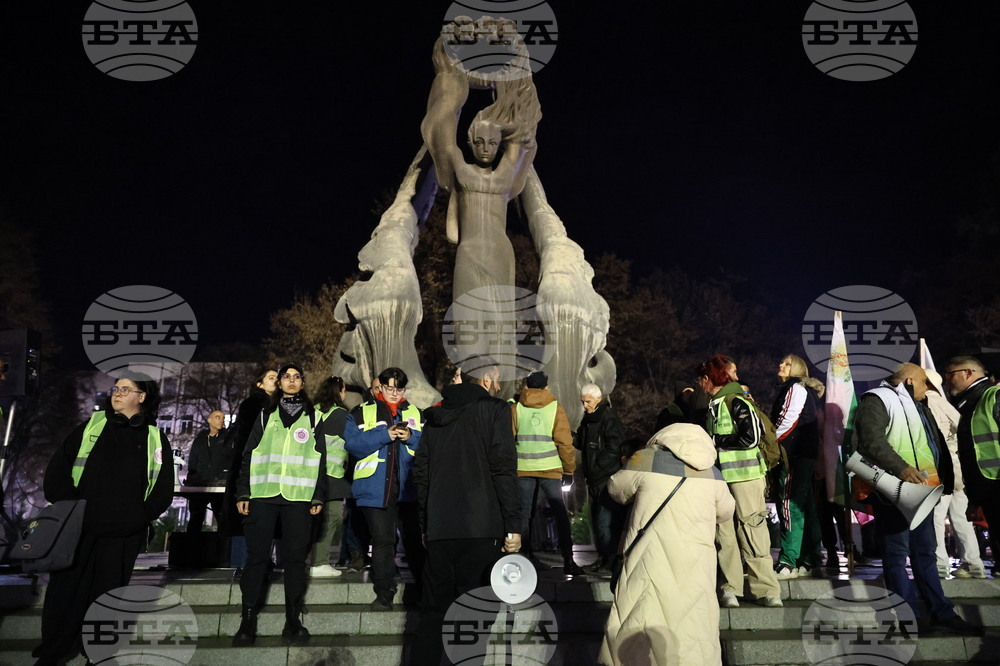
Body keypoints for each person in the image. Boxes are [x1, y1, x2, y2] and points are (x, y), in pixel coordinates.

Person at [33, 373, 174, 665]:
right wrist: (70, 507)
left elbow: (162, 490)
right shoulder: (93, 425)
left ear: (142, 397)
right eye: (116, 388)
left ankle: (96, 653)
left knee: (108, 597)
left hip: (123, 534)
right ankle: (53, 651)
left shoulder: (155, 438)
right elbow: (58, 468)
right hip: (78, 528)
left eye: (125, 389)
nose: (117, 393)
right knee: (64, 593)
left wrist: (138, 519)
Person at [852, 362, 979, 635]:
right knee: (897, 554)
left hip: (922, 491)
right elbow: (871, 442)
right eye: (925, 384)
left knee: (925, 554)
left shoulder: (917, 405)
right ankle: (909, 617)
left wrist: (942, 481)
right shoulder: (878, 400)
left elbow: (933, 444)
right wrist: (901, 469)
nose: (929, 391)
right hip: (893, 493)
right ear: (909, 381)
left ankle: (939, 613)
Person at [411, 360, 523, 665]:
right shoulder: (496, 410)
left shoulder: (435, 416)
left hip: (439, 530)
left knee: (432, 616)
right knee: (475, 616)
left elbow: (421, 472)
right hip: (480, 528)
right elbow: (503, 468)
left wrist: (425, 523)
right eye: (497, 381)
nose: (499, 387)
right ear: (486, 380)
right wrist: (513, 524)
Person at [599, 423, 735, 665]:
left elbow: (615, 489)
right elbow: (726, 512)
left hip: (649, 557)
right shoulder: (712, 472)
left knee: (642, 614)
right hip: (696, 563)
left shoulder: (644, 459)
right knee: (694, 622)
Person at [233, 362, 326, 646]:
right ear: (280, 383)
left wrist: (318, 495)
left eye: (297, 377)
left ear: (302, 383)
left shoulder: (314, 417)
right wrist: (243, 492)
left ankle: (292, 621)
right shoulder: (265, 414)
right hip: (263, 494)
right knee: (257, 557)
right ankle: (247, 621)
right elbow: (249, 454)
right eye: (286, 377)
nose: (291, 381)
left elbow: (321, 458)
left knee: (296, 560)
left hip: (299, 498)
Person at [697, 355, 782, 608]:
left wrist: (715, 443)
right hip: (724, 478)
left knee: (752, 531)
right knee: (725, 533)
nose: (699, 385)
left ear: (707, 378)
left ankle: (766, 590)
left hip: (745, 477)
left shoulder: (735, 399)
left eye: (700, 379)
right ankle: (730, 589)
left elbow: (751, 437)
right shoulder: (718, 402)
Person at [344, 367, 424, 611]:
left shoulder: (415, 412)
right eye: (389, 388)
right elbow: (353, 445)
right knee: (383, 541)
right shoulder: (360, 412)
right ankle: (384, 593)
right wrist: (385, 434)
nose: (394, 392)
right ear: (380, 387)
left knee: (414, 542)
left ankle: (423, 590)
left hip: (409, 488)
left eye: (398, 388)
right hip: (374, 488)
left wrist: (410, 436)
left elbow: (428, 444)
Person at [511, 371, 585, 575]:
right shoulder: (555, 408)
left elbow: (508, 440)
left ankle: (524, 559)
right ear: (546, 387)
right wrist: (569, 469)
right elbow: (565, 442)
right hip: (550, 469)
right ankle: (568, 560)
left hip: (523, 468)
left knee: (524, 515)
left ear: (526, 387)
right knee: (560, 513)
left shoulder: (516, 408)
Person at [925, 368, 987, 578]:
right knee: (961, 518)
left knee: (936, 516)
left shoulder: (927, 403)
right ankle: (973, 563)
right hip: (958, 467)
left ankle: (940, 564)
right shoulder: (946, 404)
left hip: (940, 468)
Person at [942, 355, 1000, 571]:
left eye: (950, 374)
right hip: (987, 484)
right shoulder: (971, 403)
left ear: (968, 373)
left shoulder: (993, 395)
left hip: (996, 481)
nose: (946, 380)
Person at [771, 355, 824, 578]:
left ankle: (787, 561)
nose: (780, 365)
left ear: (797, 370)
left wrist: (770, 443)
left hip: (794, 454)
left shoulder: (795, 387)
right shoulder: (802, 390)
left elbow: (787, 420)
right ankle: (811, 556)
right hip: (803, 454)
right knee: (804, 506)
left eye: (786, 363)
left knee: (789, 503)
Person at [225, 368, 277, 577]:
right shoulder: (254, 405)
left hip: (268, 468)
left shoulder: (279, 405)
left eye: (277, 378)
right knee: (245, 516)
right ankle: (242, 564)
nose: (276, 381)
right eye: (271, 378)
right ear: (259, 384)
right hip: (252, 466)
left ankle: (261, 561)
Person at [575, 383, 627, 573]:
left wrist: (597, 467)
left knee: (604, 522)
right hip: (594, 478)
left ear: (598, 399)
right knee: (599, 523)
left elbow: (615, 446)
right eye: (583, 401)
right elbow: (582, 442)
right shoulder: (588, 419)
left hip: (605, 478)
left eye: (588, 401)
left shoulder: (608, 417)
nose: (585, 405)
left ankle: (611, 561)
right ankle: (604, 559)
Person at [308, 376, 350, 578]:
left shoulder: (312, 412)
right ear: (338, 391)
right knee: (330, 518)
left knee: (310, 520)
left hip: (309, 476)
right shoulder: (341, 415)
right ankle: (320, 563)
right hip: (333, 476)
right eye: (343, 390)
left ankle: (307, 560)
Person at [185, 409, 228, 533]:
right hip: (200, 485)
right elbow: (193, 459)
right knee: (195, 518)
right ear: (210, 420)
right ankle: (192, 548)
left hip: (218, 485)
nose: (221, 420)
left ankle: (222, 548)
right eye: (218, 417)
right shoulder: (201, 438)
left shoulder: (227, 438)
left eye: (223, 418)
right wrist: (192, 477)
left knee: (222, 518)